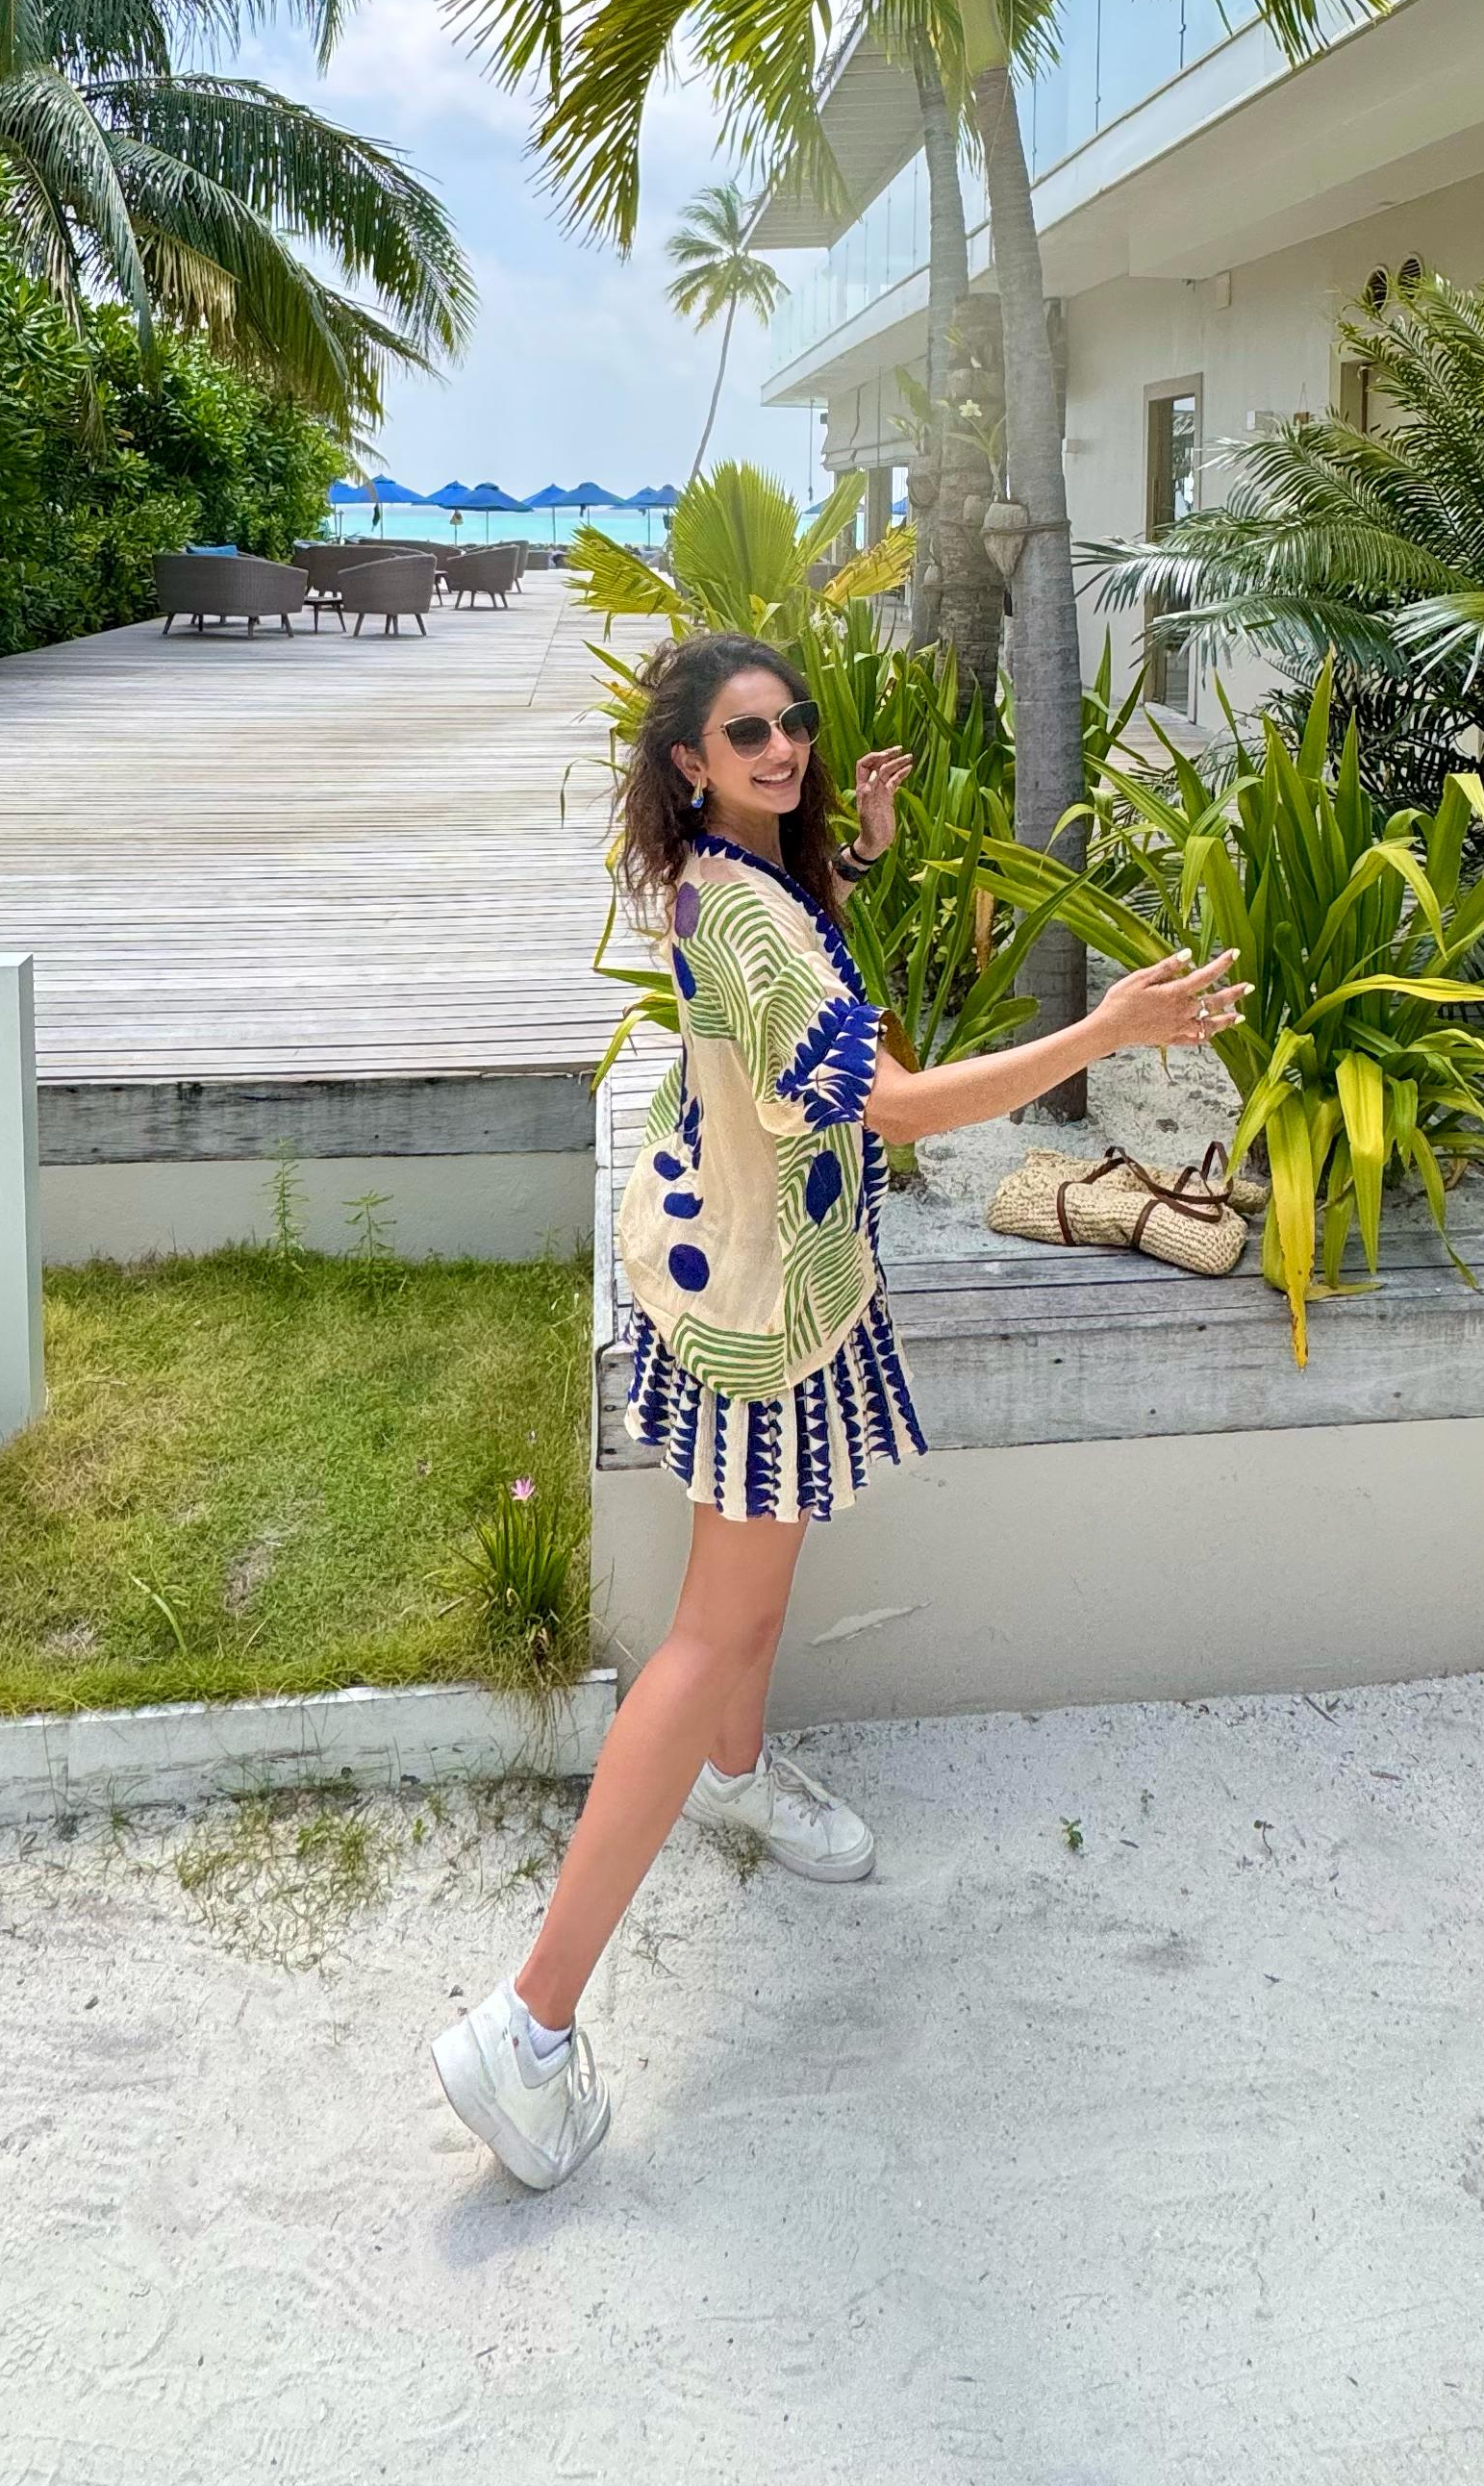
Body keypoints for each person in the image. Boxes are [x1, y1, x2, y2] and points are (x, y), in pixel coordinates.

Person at [430, 624, 1242, 2191]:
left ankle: (735, 1780)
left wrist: (856, 847)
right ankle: (526, 2027)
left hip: (728, 1254)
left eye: (791, 722)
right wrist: (1105, 1031)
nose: (785, 748)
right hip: (762, 1305)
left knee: (750, 1592)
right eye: (748, 736)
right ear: (690, 761)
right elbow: (895, 1104)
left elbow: (790, 962)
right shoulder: (748, 920)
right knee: (710, 1634)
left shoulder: (716, 876)